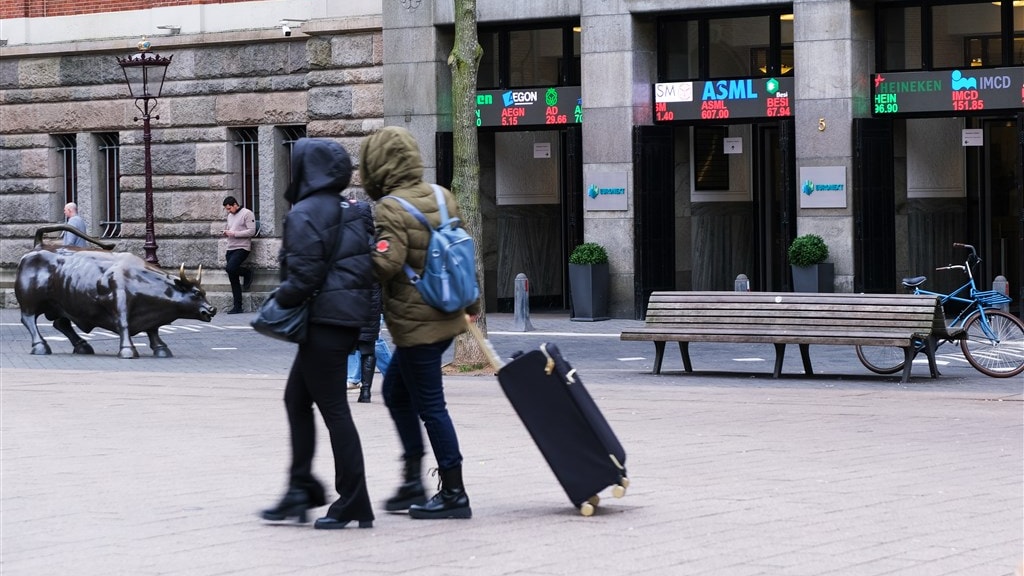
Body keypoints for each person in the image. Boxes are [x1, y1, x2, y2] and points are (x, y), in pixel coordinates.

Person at [359, 126, 481, 520]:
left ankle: (454, 492)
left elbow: (386, 263)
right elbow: (459, 251)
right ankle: (413, 479)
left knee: (431, 406)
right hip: (447, 315)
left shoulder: (391, 208)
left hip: (416, 325)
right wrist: (472, 303)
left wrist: (352, 260)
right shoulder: (442, 195)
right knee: (396, 392)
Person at [260, 137, 376, 530]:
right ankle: (301, 487)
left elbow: (303, 275)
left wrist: (276, 303)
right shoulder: (357, 210)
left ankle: (353, 500)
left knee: (334, 410)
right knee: (296, 399)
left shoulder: (305, 213)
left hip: (323, 323)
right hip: (344, 321)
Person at [221, 196, 256, 314]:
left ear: (235, 204)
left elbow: (252, 231)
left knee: (230, 268)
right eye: (227, 209)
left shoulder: (247, 213)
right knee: (233, 278)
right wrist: (227, 233)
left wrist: (234, 233)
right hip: (230, 248)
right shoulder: (230, 216)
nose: (229, 211)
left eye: (230, 208)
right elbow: (231, 229)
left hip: (242, 248)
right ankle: (237, 306)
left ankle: (247, 272)